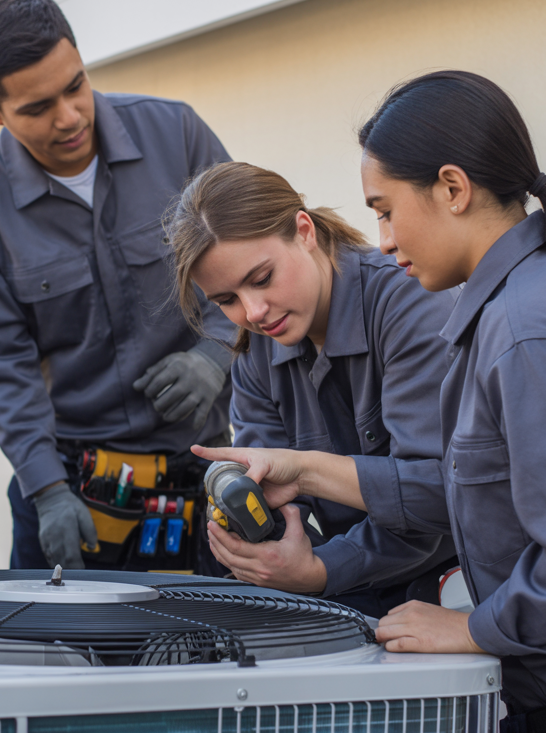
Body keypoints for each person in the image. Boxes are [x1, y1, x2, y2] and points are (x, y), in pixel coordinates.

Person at [199, 70, 546, 731]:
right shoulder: (530, 302)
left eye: (385, 209)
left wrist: (474, 626)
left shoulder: (528, 330)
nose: (382, 239)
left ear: (452, 188)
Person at [0, 0, 235, 572]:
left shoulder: (177, 134)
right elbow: (4, 369)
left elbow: (251, 258)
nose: (71, 116)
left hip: (200, 465)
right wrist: (47, 491)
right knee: (58, 658)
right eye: (38, 106)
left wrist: (217, 350)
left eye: (76, 85)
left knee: (211, 654)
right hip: (70, 488)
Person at [167, 161, 456, 617]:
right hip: (346, 590)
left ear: (304, 230)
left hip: (456, 593)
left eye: (261, 278)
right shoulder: (256, 351)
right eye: (226, 300)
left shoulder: (410, 305)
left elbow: (438, 497)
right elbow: (273, 502)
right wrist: (259, 544)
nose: (254, 312)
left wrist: (321, 563)